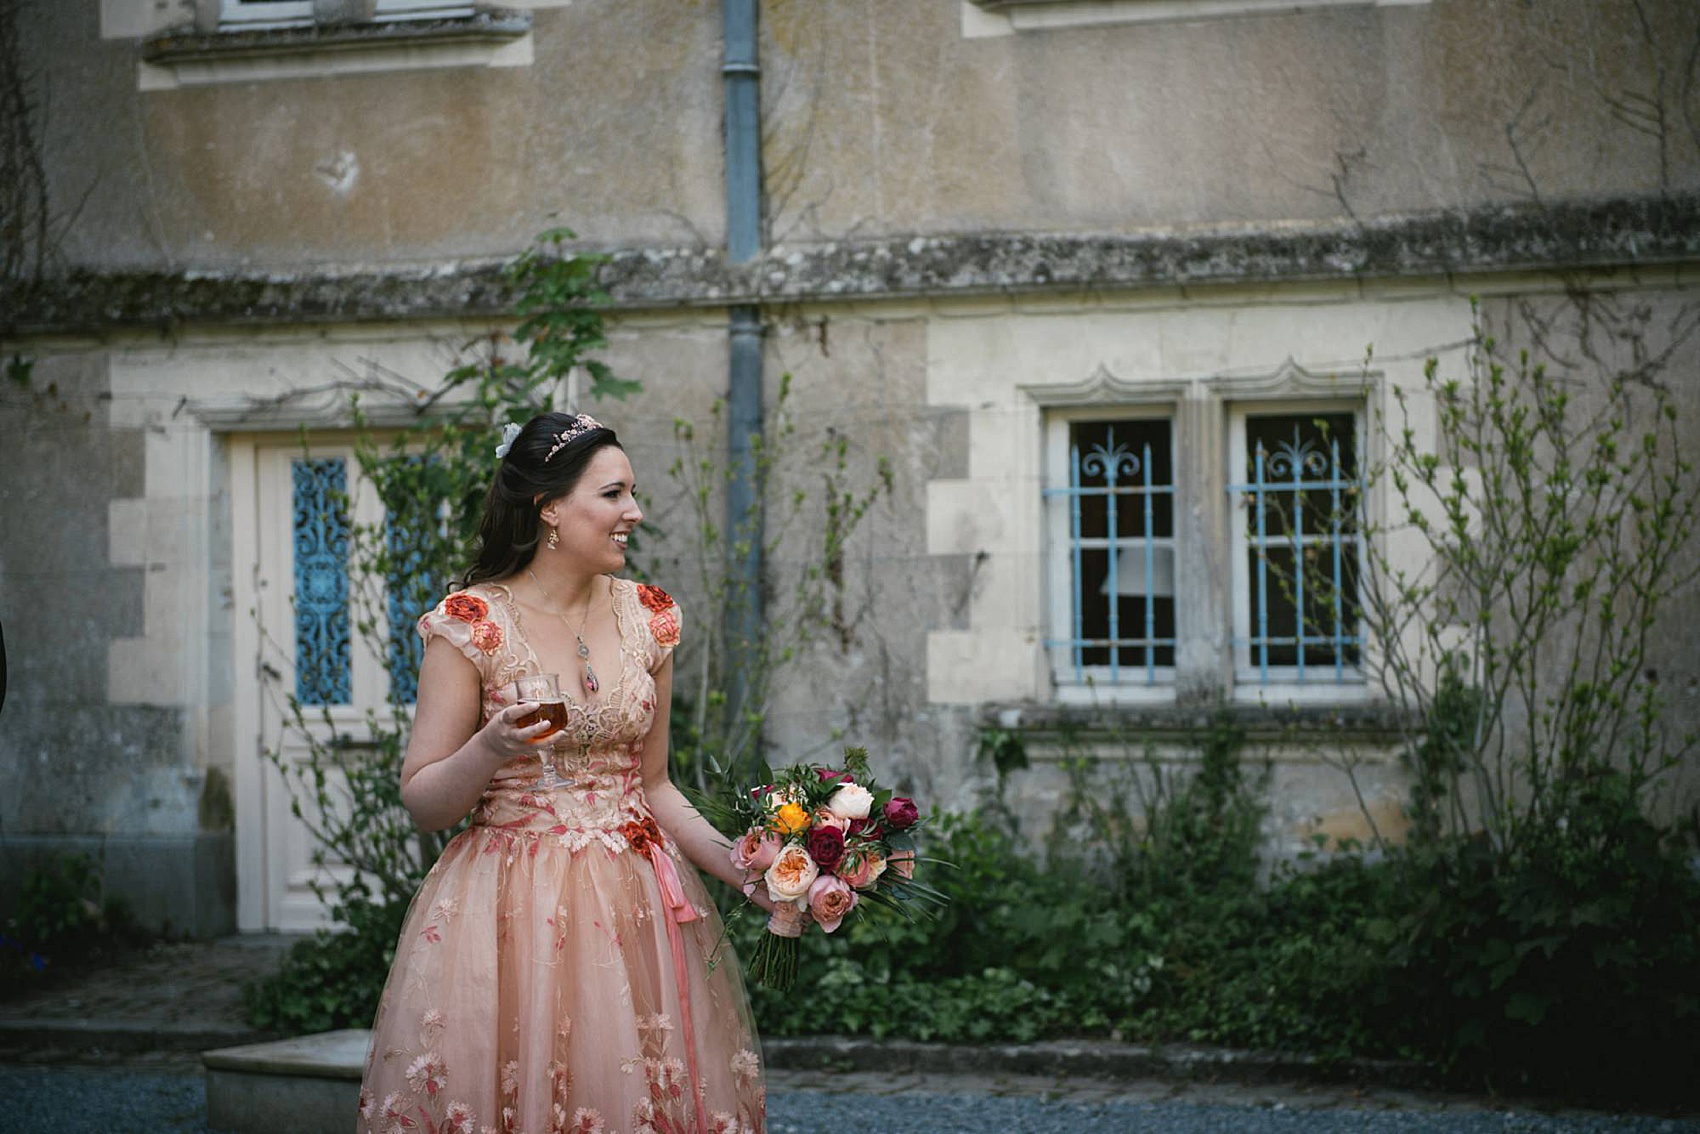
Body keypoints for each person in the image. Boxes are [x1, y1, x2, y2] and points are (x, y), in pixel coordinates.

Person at [358, 412, 770, 1134]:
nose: (633, 513)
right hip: (506, 910)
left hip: (636, 906)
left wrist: (748, 871)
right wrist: (488, 750)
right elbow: (424, 802)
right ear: (549, 507)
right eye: (613, 495)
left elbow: (655, 787)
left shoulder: (650, 617)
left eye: (631, 494)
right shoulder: (472, 623)